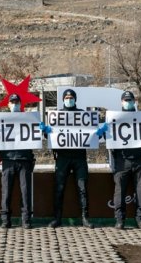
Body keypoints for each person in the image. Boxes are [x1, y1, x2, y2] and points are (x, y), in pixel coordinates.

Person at [49, 89, 94, 228]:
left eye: (71, 97)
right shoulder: (57, 115)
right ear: (63, 99)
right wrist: (46, 131)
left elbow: (91, 132)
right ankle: (57, 218)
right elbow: (50, 137)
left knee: (82, 188)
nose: (69, 99)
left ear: (75, 99)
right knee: (59, 188)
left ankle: (85, 218)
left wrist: (97, 131)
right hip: (62, 157)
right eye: (67, 97)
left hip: (79, 157)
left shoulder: (82, 114)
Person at [109, 91, 141, 230]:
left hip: (140, 160)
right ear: (122, 102)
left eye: (130, 100)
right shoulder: (114, 118)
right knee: (119, 191)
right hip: (122, 160)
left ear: (134, 102)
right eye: (126, 100)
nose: (128, 102)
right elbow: (105, 138)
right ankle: (120, 220)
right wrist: (103, 130)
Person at [0, 93, 35, 229]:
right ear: (8, 105)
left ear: (20, 103)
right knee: (6, 192)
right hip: (8, 160)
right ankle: (5, 220)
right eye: (12, 102)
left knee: (25, 191)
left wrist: (41, 128)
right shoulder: (2, 119)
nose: (15, 104)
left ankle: (26, 219)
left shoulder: (29, 119)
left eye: (17, 102)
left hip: (24, 160)